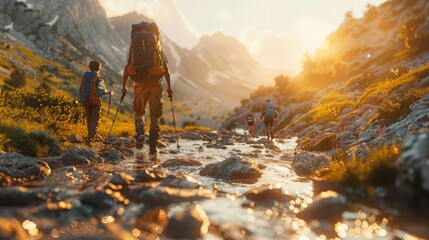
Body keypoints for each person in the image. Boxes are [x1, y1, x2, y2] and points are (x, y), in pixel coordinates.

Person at [121, 21, 173, 156]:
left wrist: (124, 86)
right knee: (155, 115)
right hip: (155, 84)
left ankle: (140, 134)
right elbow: (166, 69)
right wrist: (169, 88)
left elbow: (127, 68)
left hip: (138, 84)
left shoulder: (133, 46)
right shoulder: (158, 46)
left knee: (139, 112)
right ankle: (153, 147)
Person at [79, 60, 113, 147]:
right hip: (96, 102)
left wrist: (81, 100)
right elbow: (101, 93)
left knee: (89, 120)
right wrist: (109, 92)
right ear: (99, 68)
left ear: (89, 68)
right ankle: (90, 140)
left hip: (86, 101)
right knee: (95, 120)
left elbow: (80, 89)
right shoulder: (99, 79)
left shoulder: (85, 77)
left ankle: (89, 138)